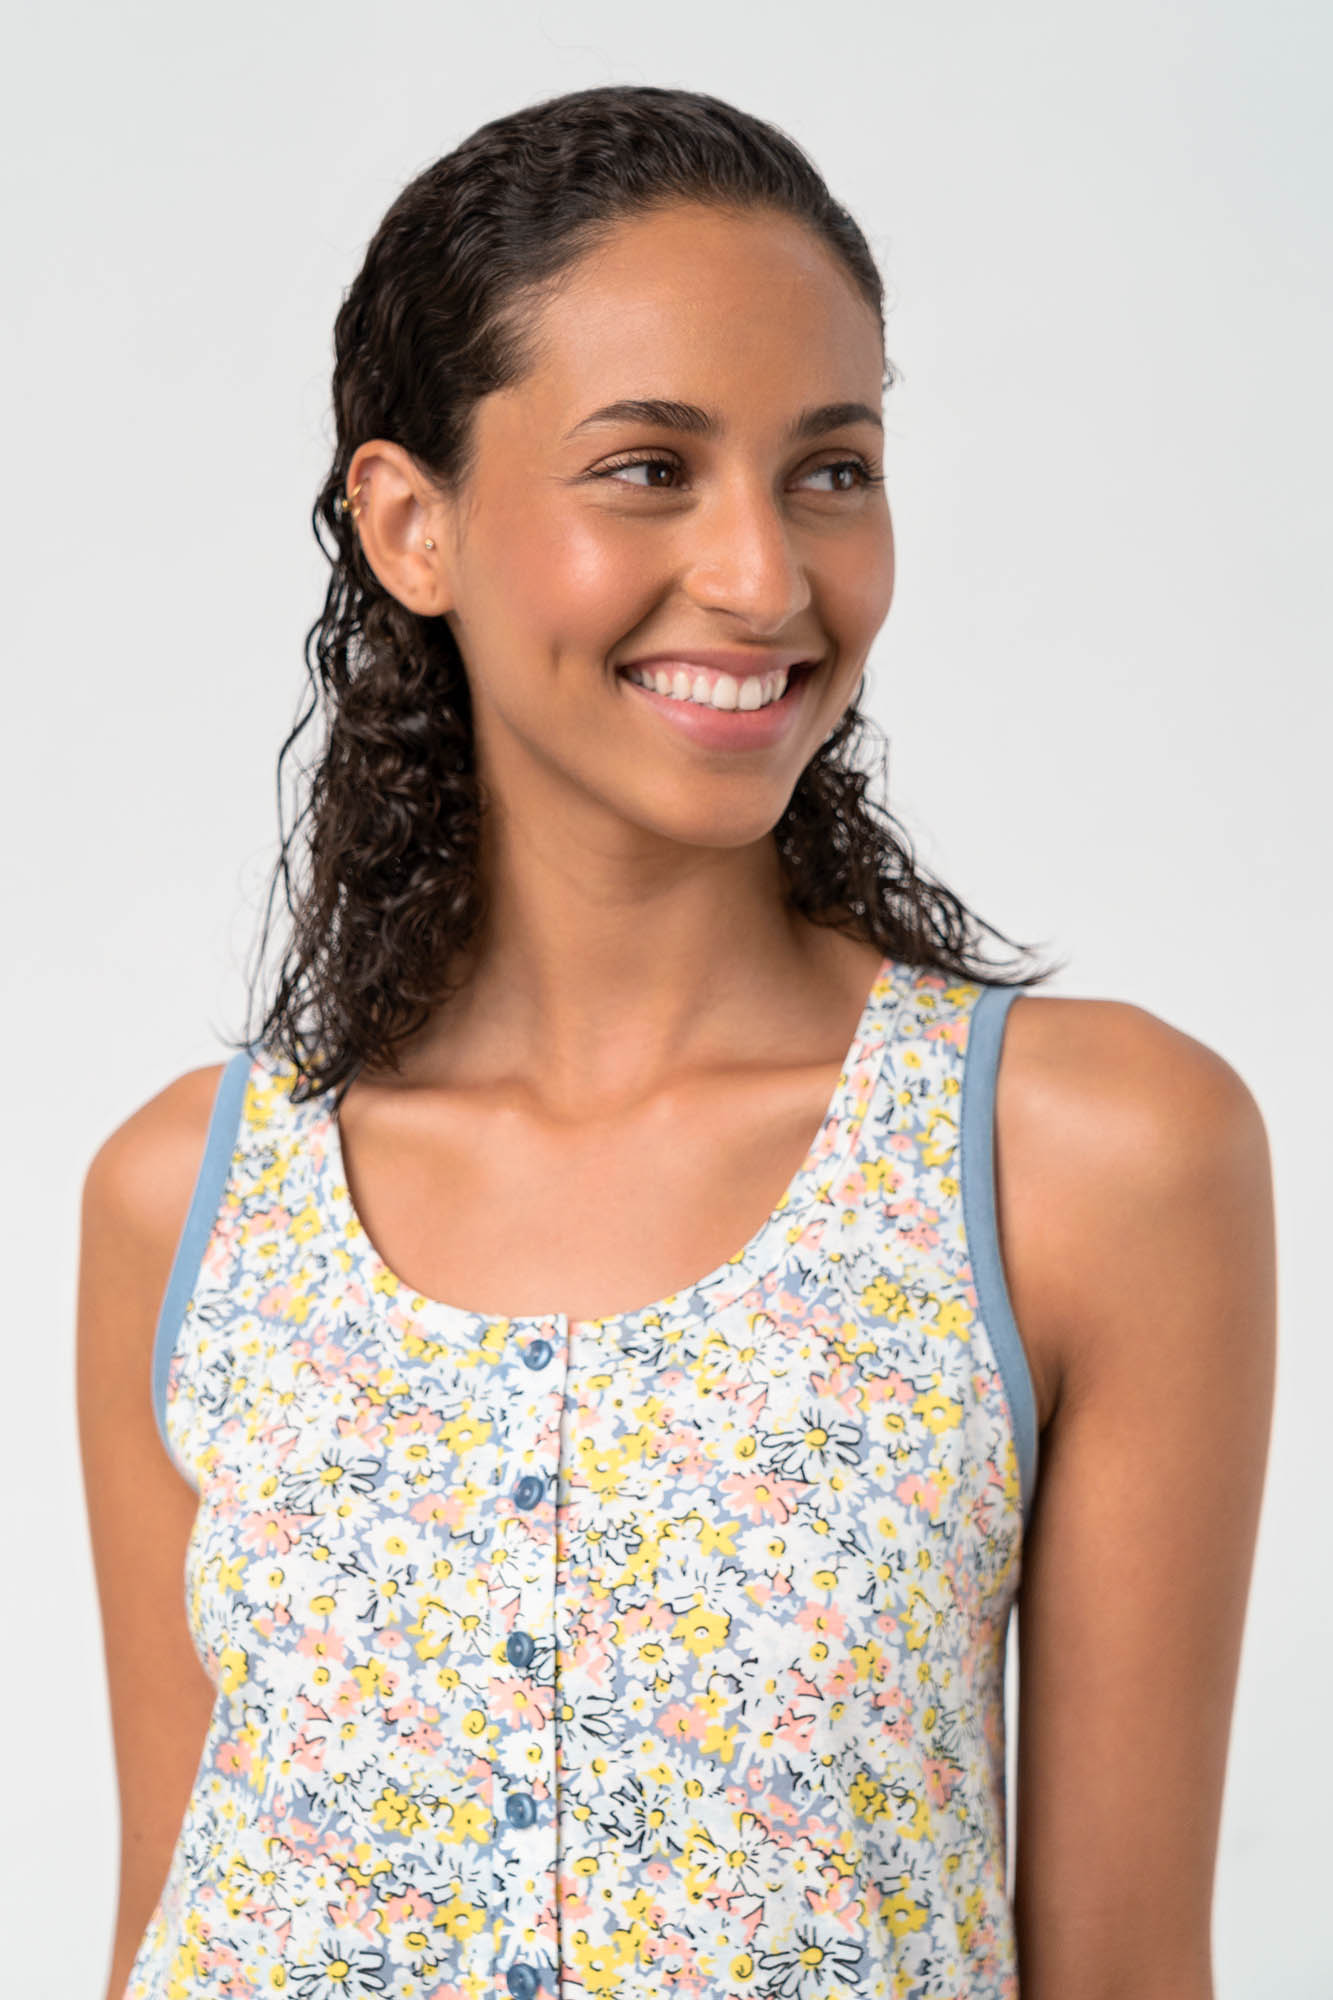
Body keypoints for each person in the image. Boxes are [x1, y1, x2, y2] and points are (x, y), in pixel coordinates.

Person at [77, 84, 1276, 2000]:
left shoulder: (1081, 1160)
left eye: (830, 470)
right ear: (411, 525)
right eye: (648, 468)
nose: (763, 577)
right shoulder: (191, 1202)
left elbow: (1127, 1968)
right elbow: (163, 1916)